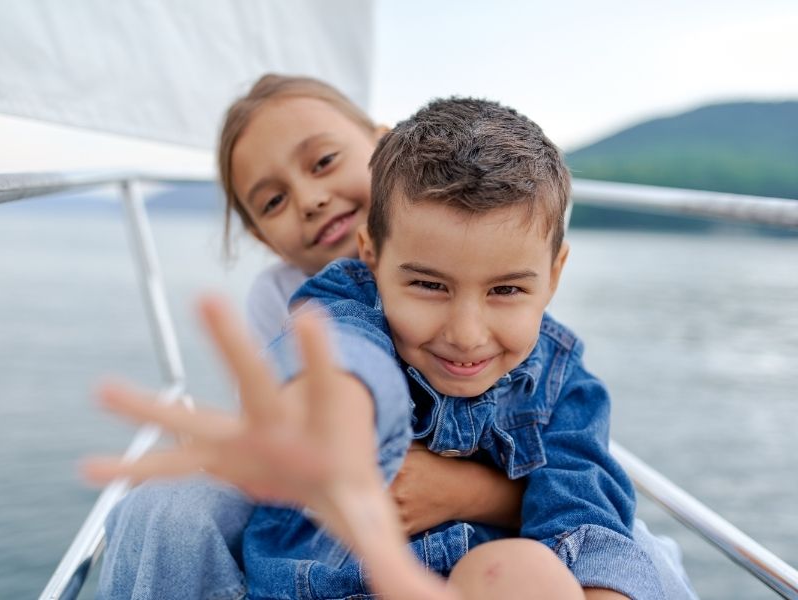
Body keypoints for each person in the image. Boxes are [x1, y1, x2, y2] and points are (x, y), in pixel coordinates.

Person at [86, 97, 697, 599]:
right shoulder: (343, 297)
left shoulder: (562, 377)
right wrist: (333, 421)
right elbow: (346, 358)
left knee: (532, 571)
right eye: (428, 286)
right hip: (325, 581)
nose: (465, 332)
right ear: (371, 255)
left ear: (553, 275)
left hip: (476, 572)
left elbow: (584, 505)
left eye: (506, 289)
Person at [94, 75, 524, 600]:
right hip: (319, 507)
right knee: (161, 509)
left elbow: (560, 455)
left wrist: (465, 492)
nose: (311, 199)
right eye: (273, 202)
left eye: (322, 162)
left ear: (385, 146)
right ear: (260, 235)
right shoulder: (280, 297)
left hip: (478, 515)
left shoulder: (486, 250)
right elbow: (316, 382)